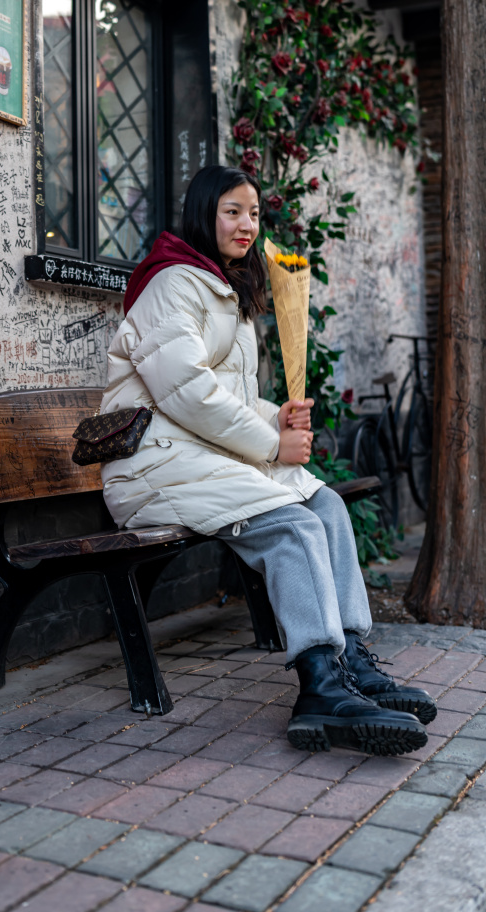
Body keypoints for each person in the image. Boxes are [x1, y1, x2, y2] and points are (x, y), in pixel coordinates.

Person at [101, 165, 435, 755]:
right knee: (292, 526)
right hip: (150, 466)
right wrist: (270, 445)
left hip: (195, 455)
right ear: (204, 213)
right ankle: (320, 688)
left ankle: (350, 658)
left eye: (254, 213)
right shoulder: (172, 285)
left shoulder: (221, 288)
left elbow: (226, 398)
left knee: (325, 504)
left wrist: (273, 416)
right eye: (232, 211)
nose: (246, 224)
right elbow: (186, 392)